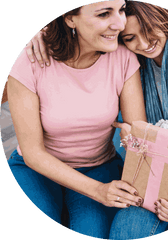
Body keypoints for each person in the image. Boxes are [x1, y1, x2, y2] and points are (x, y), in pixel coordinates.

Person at [26, 1, 168, 239]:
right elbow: (85, 33)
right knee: (124, 231)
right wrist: (42, 31)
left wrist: (149, 146)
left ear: (161, 17)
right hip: (159, 164)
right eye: (130, 38)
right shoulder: (136, 58)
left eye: (148, 31)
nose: (143, 43)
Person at [7, 1, 148, 239]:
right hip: (36, 168)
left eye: (122, 10)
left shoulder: (123, 57)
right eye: (104, 14)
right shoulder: (30, 60)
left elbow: (139, 135)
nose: (120, 23)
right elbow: (32, 153)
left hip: (99, 167)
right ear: (70, 18)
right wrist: (98, 192)